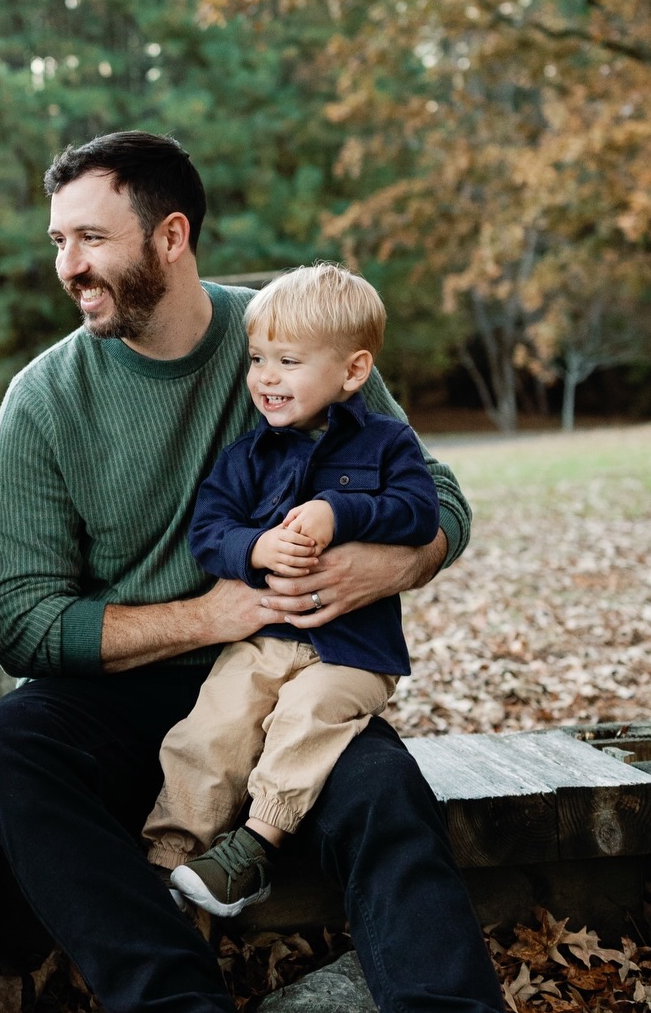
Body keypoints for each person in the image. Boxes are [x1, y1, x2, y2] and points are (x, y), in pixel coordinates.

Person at [0, 132, 651, 1013]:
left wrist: (381, 570)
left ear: (170, 236)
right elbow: (25, 622)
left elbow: (436, 496)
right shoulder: (48, 397)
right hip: (147, 682)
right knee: (10, 745)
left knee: (383, 792)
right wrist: (209, 616)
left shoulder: (294, 334)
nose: (67, 265)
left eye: (90, 238)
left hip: (298, 669)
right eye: (58, 241)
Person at [144, 262, 440, 919]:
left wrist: (342, 515)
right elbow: (209, 534)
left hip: (351, 653)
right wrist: (253, 548)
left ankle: (253, 848)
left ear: (353, 371)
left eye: (288, 361)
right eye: (257, 359)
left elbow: (420, 513)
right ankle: (168, 858)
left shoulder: (388, 444)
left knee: (305, 718)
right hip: (265, 641)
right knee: (209, 728)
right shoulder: (246, 457)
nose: (265, 377)